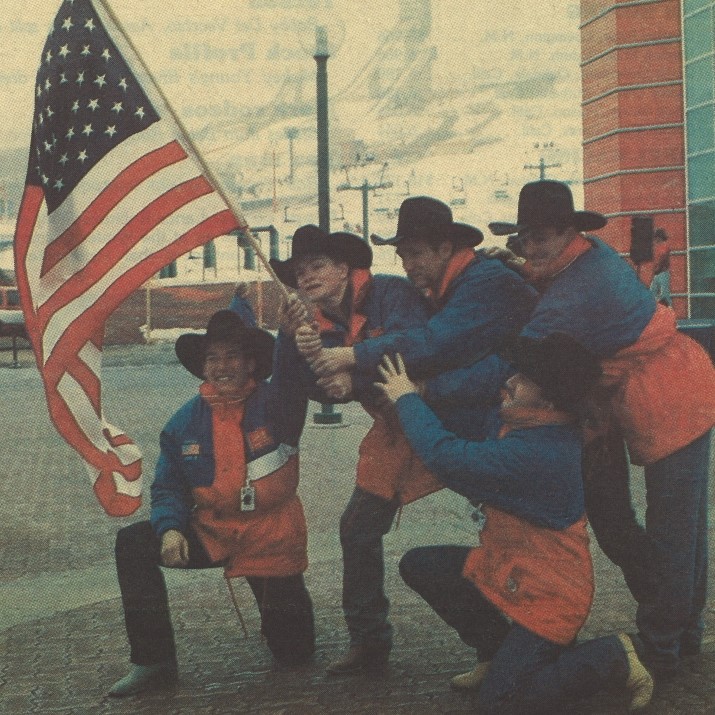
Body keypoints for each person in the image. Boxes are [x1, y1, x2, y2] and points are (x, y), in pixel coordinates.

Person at [293, 198, 537, 674]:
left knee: (520, 532)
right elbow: (321, 382)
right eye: (403, 255)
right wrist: (320, 365)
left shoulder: (412, 291)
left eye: (317, 265)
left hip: (484, 422)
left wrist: (349, 364)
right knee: (359, 526)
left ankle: (530, 649)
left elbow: (427, 348)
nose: (408, 265)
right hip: (415, 423)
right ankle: (372, 643)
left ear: (346, 268)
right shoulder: (325, 319)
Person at [488, 180, 715, 679]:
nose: (533, 247)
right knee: (685, 531)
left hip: (670, 395)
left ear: (570, 232)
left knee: (673, 534)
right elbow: (546, 273)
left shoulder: (577, 289)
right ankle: (685, 634)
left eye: (543, 237)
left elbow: (529, 354)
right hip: (679, 383)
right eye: (526, 238)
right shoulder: (591, 257)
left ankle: (659, 648)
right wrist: (518, 267)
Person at [375, 336, 654, 714]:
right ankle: (497, 654)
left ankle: (613, 656)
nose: (510, 381)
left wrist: (407, 397)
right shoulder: (528, 424)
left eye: (523, 379)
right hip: (512, 568)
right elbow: (461, 425)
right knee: (421, 565)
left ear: (549, 401)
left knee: (502, 702)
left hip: (552, 597)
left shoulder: (536, 452)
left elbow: (447, 457)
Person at [108, 308, 314, 697]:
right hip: (215, 533)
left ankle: (287, 620)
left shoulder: (279, 403)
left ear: (251, 363)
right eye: (213, 358)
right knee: (133, 542)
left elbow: (289, 375)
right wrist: (169, 529)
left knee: (294, 653)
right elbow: (167, 486)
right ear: (202, 368)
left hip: (271, 539)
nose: (222, 366)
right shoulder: (182, 422)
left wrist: (288, 333)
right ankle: (153, 662)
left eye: (232, 356)